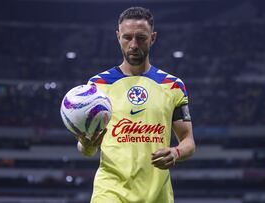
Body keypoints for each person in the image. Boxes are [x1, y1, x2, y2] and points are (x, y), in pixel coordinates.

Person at [74, 7, 195, 203]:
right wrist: (86, 145)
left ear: (153, 37)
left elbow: (188, 141)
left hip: (157, 195)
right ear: (117, 37)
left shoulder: (172, 85)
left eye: (141, 38)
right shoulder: (97, 86)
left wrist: (175, 152)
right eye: (127, 37)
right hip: (110, 192)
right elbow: (87, 148)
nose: (133, 44)